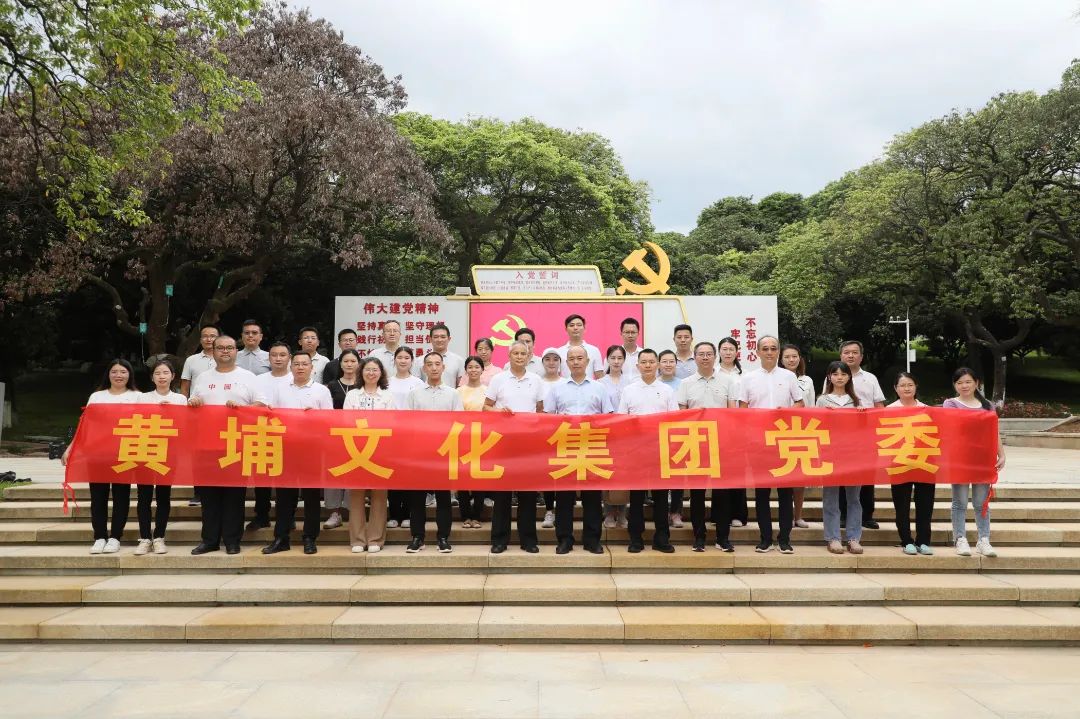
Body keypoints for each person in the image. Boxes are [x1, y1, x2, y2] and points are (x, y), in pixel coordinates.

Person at [188, 335, 267, 555]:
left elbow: (262, 405)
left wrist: (243, 408)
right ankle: (209, 540)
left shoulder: (248, 377)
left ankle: (232, 540)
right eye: (220, 348)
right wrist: (194, 402)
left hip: (236, 444)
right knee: (209, 496)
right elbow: (193, 402)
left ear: (236, 351)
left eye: (230, 348)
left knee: (234, 495)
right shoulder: (203, 377)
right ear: (213, 351)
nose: (225, 351)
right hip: (207, 445)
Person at [63, 359, 141, 554]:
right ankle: (99, 537)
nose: (118, 375)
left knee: (121, 496)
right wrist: (71, 448)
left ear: (130, 375)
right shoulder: (97, 397)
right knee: (98, 496)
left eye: (123, 371)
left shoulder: (138, 397)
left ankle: (115, 537)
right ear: (108, 374)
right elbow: (84, 425)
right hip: (97, 454)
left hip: (124, 454)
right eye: (114, 371)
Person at [736, 335, 803, 554]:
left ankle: (784, 539)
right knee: (762, 493)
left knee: (785, 494)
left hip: (784, 441)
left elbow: (800, 404)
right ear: (757, 352)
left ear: (778, 352)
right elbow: (742, 410)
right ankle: (765, 538)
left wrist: (786, 412)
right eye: (765, 348)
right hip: (758, 443)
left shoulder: (789, 376)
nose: (769, 352)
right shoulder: (748, 378)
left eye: (773, 348)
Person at [262, 352, 333, 555]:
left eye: (304, 364)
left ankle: (310, 537)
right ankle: (281, 538)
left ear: (312, 368)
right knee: (284, 497)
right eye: (297, 364)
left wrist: (316, 416)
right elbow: (271, 417)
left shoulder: (321, 391)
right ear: (291, 367)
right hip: (286, 449)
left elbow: (330, 420)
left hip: (312, 450)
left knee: (311, 497)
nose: (300, 367)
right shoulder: (280, 389)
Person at [546, 345, 613, 554]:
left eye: (580, 358)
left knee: (592, 497)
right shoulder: (556, 388)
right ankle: (564, 539)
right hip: (565, 447)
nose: (576, 362)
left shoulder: (599, 388)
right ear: (566, 363)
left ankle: (592, 540)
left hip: (591, 447)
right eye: (572, 359)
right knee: (564, 497)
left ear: (587, 362)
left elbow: (608, 417)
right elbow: (547, 418)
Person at [485, 341, 546, 553]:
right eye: (516, 353)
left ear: (529, 356)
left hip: (528, 444)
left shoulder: (536, 380)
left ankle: (528, 540)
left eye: (523, 353)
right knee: (502, 495)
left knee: (527, 494)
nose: (519, 357)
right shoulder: (498, 379)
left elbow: (540, 410)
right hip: (503, 443)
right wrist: (499, 412)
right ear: (509, 356)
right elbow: (486, 407)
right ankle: (499, 540)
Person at [675, 342, 735, 551]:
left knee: (722, 494)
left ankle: (723, 537)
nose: (705, 357)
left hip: (721, 444)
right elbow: (681, 414)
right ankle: (699, 536)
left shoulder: (728, 381)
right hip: (695, 444)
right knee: (697, 494)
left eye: (709, 354)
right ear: (695, 357)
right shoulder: (686, 383)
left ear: (715, 356)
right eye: (701, 354)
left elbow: (733, 413)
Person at [619, 349, 677, 553]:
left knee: (661, 498)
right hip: (636, 452)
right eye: (644, 362)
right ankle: (636, 538)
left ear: (658, 364)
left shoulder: (667, 390)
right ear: (638, 366)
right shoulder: (629, 390)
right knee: (636, 498)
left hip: (660, 451)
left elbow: (674, 421)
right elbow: (621, 420)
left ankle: (662, 538)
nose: (648, 365)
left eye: (652, 362)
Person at [943, 367, 1005, 558]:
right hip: (960, 459)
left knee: (981, 502)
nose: (964, 386)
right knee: (960, 501)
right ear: (955, 385)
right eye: (960, 382)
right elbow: (951, 428)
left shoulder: (987, 405)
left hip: (982, 459)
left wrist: (1001, 454)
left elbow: (994, 431)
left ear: (976, 383)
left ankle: (983, 539)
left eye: (968, 382)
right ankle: (960, 539)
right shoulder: (950, 404)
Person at [407, 352, 464, 553]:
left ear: (443, 367)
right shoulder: (414, 393)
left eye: (437, 364)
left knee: (443, 498)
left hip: (444, 452)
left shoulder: (453, 394)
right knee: (417, 498)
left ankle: (443, 537)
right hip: (419, 452)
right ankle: (417, 537)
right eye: (429, 364)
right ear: (424, 368)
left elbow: (459, 423)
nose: (433, 368)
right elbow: (407, 423)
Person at [830, 340, 886, 529]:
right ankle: (843, 515)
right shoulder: (832, 377)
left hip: (866, 435)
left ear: (861, 357)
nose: (850, 355)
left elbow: (879, 405)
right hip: (840, 437)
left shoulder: (870, 378)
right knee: (841, 475)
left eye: (855, 352)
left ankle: (867, 515)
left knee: (867, 475)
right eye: (847, 352)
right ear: (841, 356)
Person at [133, 359, 185, 555]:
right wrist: (155, 411)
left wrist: (172, 412)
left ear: (173, 376)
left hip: (168, 452)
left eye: (165, 373)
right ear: (152, 377)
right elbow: (136, 422)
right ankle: (145, 538)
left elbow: (184, 426)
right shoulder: (143, 398)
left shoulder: (180, 399)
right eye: (157, 373)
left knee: (164, 495)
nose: (161, 377)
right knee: (144, 496)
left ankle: (159, 537)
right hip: (145, 450)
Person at [343, 357, 395, 553]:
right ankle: (357, 540)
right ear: (361, 372)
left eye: (375, 370)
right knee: (356, 495)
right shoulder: (352, 395)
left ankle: (375, 539)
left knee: (379, 496)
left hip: (380, 450)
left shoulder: (387, 396)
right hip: (356, 449)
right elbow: (346, 420)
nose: (371, 373)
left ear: (381, 373)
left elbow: (391, 422)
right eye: (367, 369)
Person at [817, 360, 863, 554]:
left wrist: (862, 415)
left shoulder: (857, 400)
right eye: (835, 374)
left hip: (853, 454)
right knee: (831, 497)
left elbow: (864, 429)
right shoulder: (823, 400)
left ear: (849, 377)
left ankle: (853, 537)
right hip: (831, 453)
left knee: (854, 498)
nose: (839, 377)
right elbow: (816, 425)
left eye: (843, 374)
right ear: (829, 377)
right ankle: (833, 537)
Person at [248, 342, 294, 532]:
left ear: (289, 358)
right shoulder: (258, 380)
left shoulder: (296, 378)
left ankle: (287, 517)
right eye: (274, 355)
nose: (278, 358)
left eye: (282, 355)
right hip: (262, 433)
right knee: (261, 478)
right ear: (269, 358)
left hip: (289, 435)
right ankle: (261, 515)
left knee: (287, 479)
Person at [888, 371, 934, 556]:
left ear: (916, 387)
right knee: (902, 504)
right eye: (902, 385)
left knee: (925, 504)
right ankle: (906, 540)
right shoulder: (888, 410)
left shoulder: (927, 409)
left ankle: (923, 541)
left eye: (910, 385)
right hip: (899, 463)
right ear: (895, 388)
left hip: (924, 461)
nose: (906, 388)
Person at [324, 348, 361, 529]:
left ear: (358, 364)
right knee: (334, 472)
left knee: (355, 473)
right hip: (335, 436)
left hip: (359, 437)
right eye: (346, 361)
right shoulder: (331, 386)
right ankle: (334, 512)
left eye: (353, 361)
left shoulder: (363, 386)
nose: (349, 364)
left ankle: (352, 510)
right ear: (340, 364)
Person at [387, 346, 423, 529]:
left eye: (406, 357)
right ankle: (394, 514)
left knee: (410, 475)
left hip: (412, 434)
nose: (403, 361)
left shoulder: (418, 383)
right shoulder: (386, 382)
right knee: (393, 474)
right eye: (399, 357)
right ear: (394, 360)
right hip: (391, 434)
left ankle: (408, 514)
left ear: (412, 361)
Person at [781, 344, 816, 529]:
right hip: (779, 431)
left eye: (794, 356)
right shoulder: (776, 378)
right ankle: (785, 515)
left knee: (799, 479)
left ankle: (798, 516)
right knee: (784, 476)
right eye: (787, 357)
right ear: (781, 359)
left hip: (802, 431)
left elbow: (811, 406)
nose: (791, 360)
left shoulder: (807, 380)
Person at [716, 336, 748, 527]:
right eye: (724, 349)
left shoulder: (745, 375)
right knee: (719, 472)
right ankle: (719, 514)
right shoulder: (714, 373)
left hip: (739, 430)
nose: (727, 352)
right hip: (718, 429)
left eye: (731, 349)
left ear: (737, 352)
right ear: (719, 352)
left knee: (737, 471)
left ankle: (738, 514)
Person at [599, 345, 632, 529]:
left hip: (627, 434)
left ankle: (622, 512)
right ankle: (609, 512)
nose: (616, 361)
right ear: (607, 360)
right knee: (607, 473)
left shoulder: (631, 381)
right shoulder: (600, 383)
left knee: (624, 474)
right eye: (613, 358)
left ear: (624, 360)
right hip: (607, 434)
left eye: (620, 358)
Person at [457, 355, 489, 529]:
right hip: (462, 438)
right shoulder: (458, 391)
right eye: (470, 367)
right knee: (462, 477)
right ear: (466, 370)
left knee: (479, 478)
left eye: (477, 367)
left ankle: (476, 515)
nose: (473, 370)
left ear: (482, 370)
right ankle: (465, 515)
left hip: (482, 439)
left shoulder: (488, 391)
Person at [413, 323, 464, 388]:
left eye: (443, 337)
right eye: (436, 337)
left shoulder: (459, 360)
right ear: (430, 339)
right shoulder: (420, 360)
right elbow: (416, 385)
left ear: (449, 339)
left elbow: (462, 387)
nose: (439, 340)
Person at [555, 314, 603, 379]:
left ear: (584, 328)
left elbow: (600, 376)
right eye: (571, 325)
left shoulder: (594, 350)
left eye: (579, 325)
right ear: (566, 329)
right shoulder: (559, 352)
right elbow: (555, 376)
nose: (575, 328)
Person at [179, 324, 219, 396]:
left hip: (219, 402)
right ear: (200, 340)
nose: (208, 339)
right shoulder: (190, 360)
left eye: (212, 336)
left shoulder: (225, 360)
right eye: (205, 336)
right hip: (196, 402)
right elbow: (184, 388)